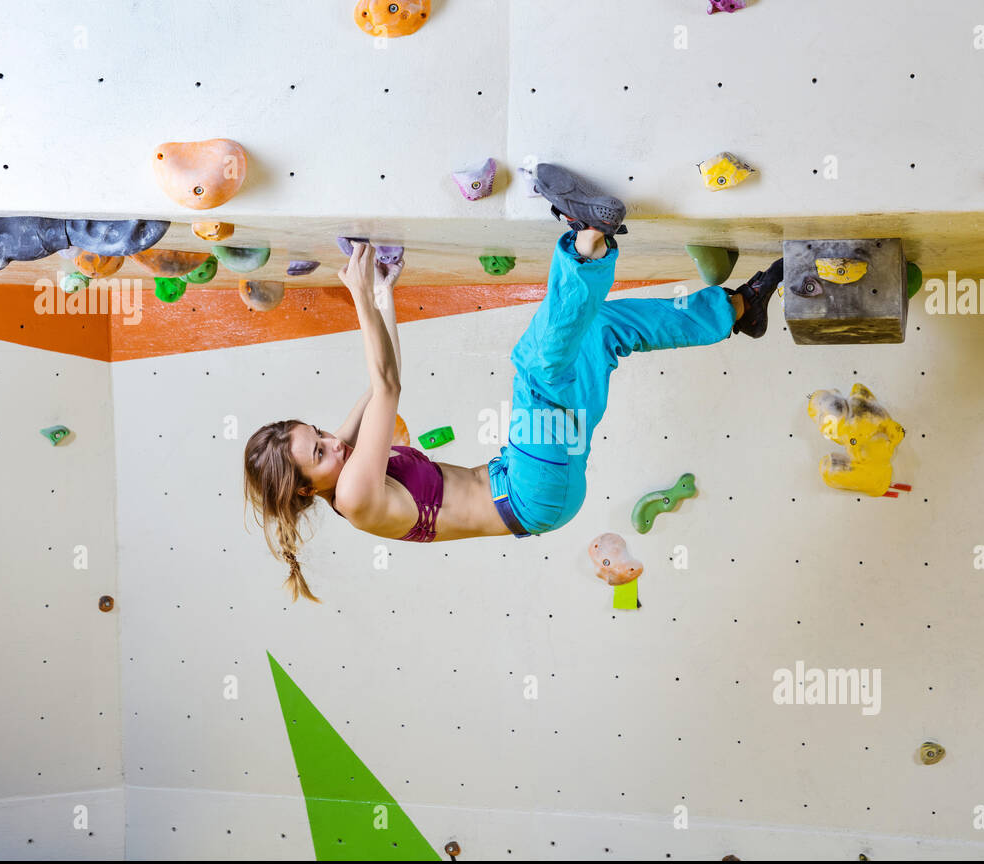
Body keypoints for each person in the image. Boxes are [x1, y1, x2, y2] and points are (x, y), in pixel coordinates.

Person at [243, 164, 784, 602]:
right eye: (319, 451)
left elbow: (385, 379)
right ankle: (586, 239)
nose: (334, 441)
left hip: (530, 479)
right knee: (536, 369)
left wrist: (385, 292)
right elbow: (387, 388)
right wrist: (359, 296)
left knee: (596, 332)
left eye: (317, 431)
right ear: (305, 488)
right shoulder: (357, 495)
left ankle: (737, 309)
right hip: (529, 493)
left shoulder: (340, 467)